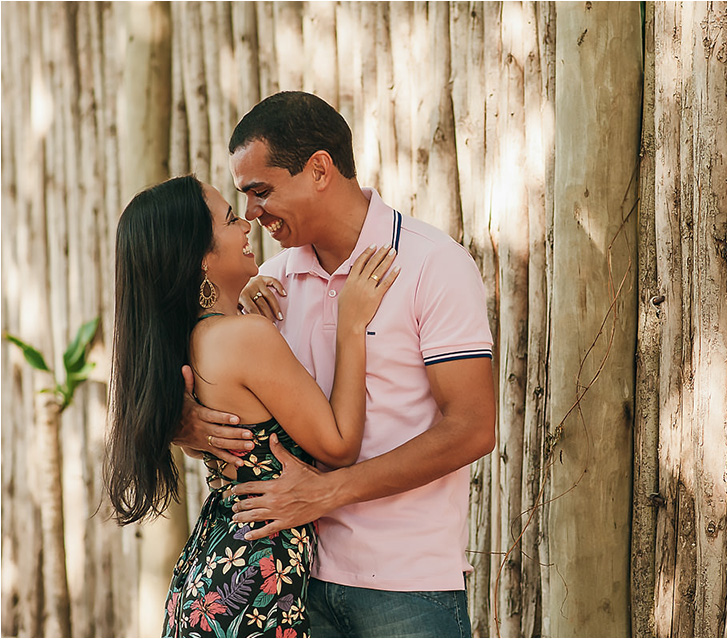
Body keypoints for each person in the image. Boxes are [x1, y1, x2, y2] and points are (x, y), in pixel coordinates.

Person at [174, 91, 497, 638]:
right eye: (243, 199)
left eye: (261, 191)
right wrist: (186, 423)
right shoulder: (268, 285)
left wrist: (330, 491)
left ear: (319, 169)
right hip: (294, 585)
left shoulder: (431, 265)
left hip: (404, 587)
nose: (251, 214)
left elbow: (472, 427)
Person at [105, 175, 398, 636]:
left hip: (216, 574)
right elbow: (339, 444)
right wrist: (351, 326)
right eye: (228, 220)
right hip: (254, 586)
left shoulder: (189, 341)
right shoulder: (243, 338)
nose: (246, 224)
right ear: (201, 256)